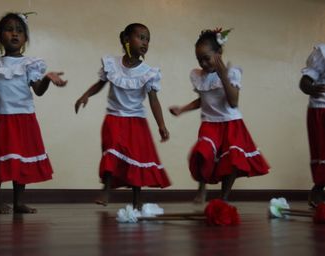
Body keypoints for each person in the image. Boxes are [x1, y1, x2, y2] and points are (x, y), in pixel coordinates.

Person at [0, 12, 67, 214]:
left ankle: (18, 202)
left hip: (22, 118)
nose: (14, 34)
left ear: (25, 38)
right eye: (9, 29)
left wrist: (48, 78)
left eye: (20, 31)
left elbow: (38, 91)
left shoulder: (29, 65)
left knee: (20, 160)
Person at [75, 23, 171, 209]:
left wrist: (161, 124)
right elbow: (100, 84)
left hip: (137, 121)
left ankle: (136, 201)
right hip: (114, 118)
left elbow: (153, 100)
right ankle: (106, 189)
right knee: (112, 149)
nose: (145, 42)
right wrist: (85, 95)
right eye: (140, 37)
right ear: (126, 40)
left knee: (137, 160)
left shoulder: (148, 72)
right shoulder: (112, 64)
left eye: (147, 39)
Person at [169, 28, 269, 202]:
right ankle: (202, 188)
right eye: (199, 60)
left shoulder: (232, 73)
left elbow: (233, 102)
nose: (203, 63)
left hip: (232, 124)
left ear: (219, 53)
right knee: (202, 152)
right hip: (210, 124)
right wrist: (182, 109)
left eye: (206, 58)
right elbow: (203, 100)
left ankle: (223, 198)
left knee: (231, 161)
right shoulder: (198, 76)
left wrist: (224, 76)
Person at [299, 44, 325, 207]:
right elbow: (304, 83)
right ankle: (318, 189)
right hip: (321, 110)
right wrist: (311, 88)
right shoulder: (322, 53)